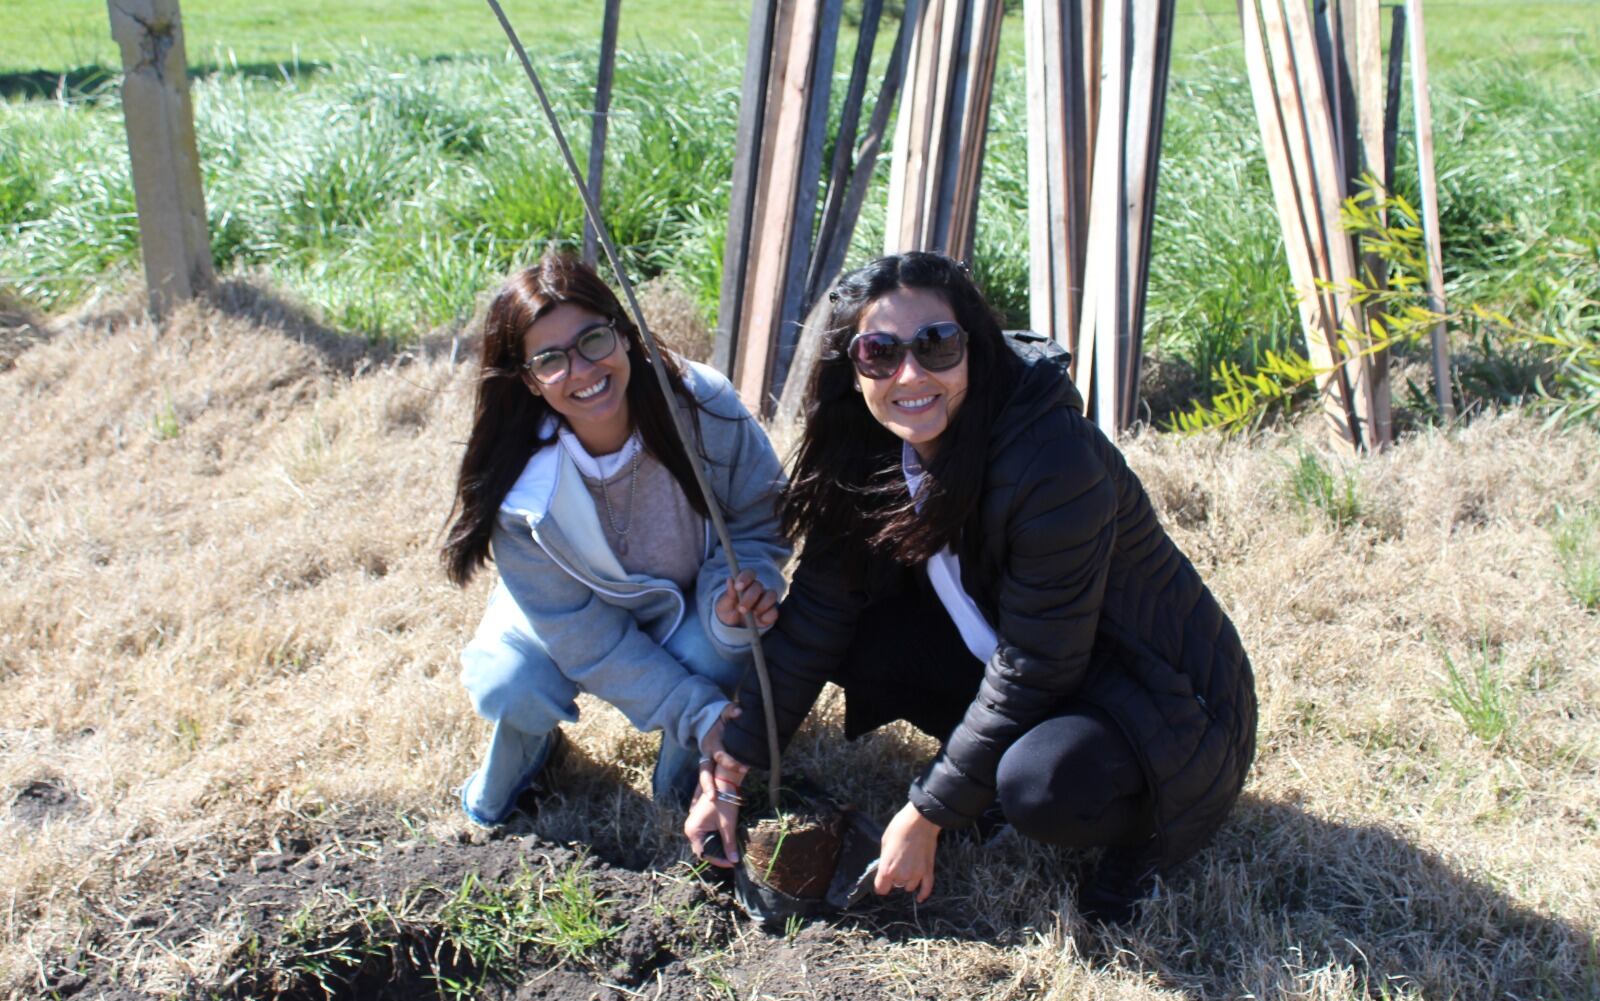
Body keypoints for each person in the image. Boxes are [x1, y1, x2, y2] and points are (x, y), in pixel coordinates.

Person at [686, 251, 1256, 923]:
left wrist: (929, 811)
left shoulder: (1052, 460)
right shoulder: (878, 445)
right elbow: (818, 613)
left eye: (936, 345)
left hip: (1162, 701)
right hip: (1040, 670)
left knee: (1039, 786)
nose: (911, 374)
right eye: (880, 352)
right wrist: (735, 762)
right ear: (853, 367)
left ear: (975, 348)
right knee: (853, 635)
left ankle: (1146, 839)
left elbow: (1040, 663)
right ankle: (992, 771)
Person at [442, 252, 788, 828]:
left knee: (729, 633)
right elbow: (589, 640)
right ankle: (526, 758)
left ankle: (684, 782)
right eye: (550, 359)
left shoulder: (702, 407)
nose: (581, 370)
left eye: (593, 340)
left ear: (624, 336)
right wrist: (695, 708)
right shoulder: (520, 493)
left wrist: (739, 586)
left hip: (688, 605)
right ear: (529, 380)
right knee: (511, 683)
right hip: (566, 622)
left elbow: (760, 518)